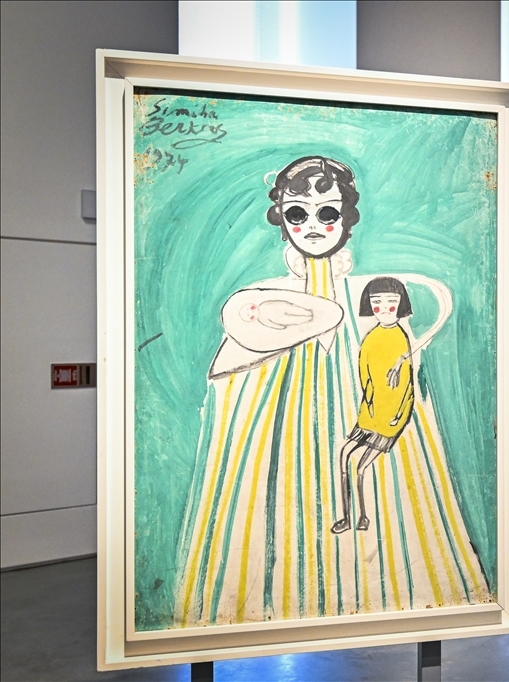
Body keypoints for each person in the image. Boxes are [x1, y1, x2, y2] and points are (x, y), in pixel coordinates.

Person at [176, 156, 489, 627]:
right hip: (282, 448)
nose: (312, 225)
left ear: (347, 219)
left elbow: (406, 380)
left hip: (371, 420)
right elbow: (229, 390)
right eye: (296, 213)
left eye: (327, 213)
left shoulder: (373, 298)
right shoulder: (263, 299)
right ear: (281, 219)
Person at [332, 277, 415, 534]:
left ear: (401, 304)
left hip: (390, 420)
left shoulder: (401, 340)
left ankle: (363, 516)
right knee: (344, 455)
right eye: (377, 302)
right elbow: (365, 377)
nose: (384, 308)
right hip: (369, 416)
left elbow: (407, 388)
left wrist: (398, 417)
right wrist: (367, 407)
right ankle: (346, 517)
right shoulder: (371, 338)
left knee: (360, 466)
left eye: (391, 302)